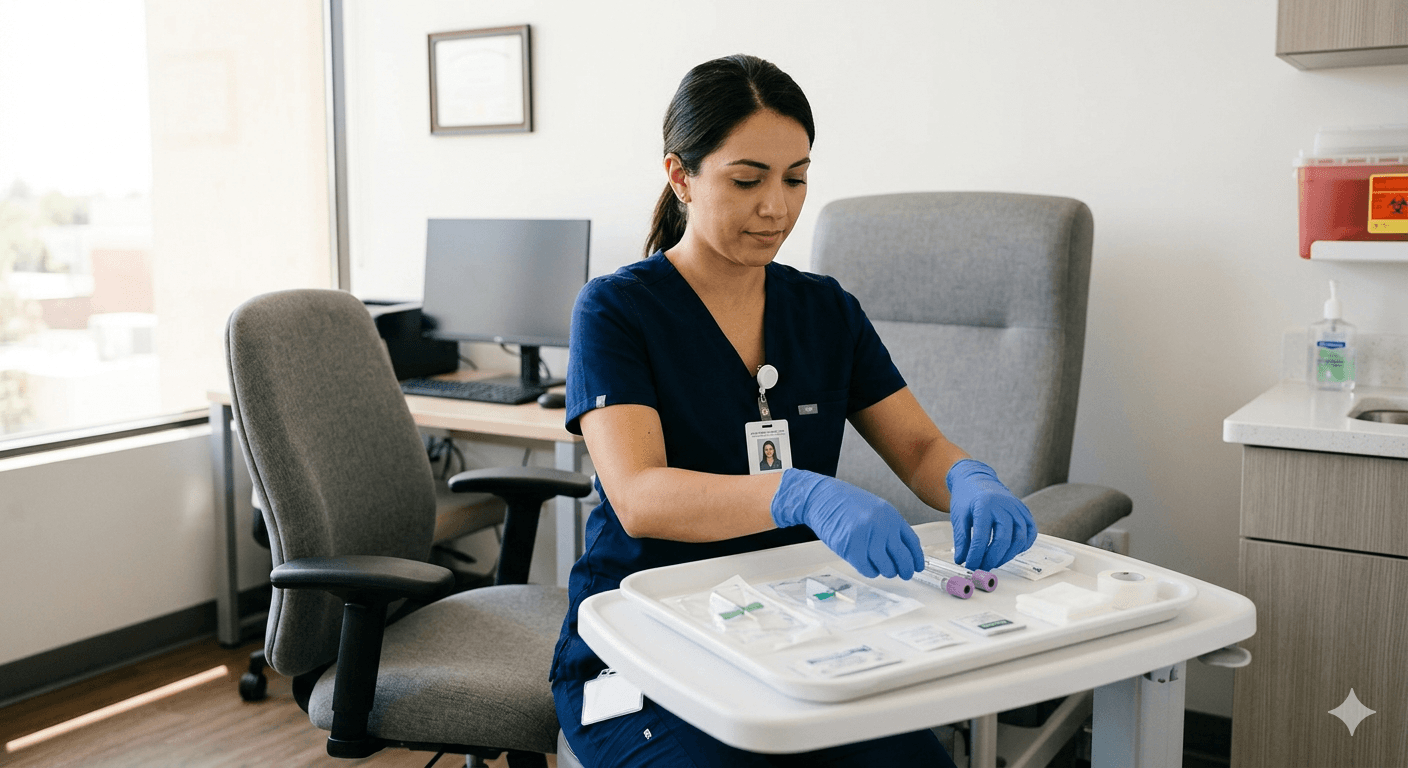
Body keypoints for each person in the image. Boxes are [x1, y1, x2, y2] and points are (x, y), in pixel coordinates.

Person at [552, 53, 1038, 767]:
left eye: (797, 178)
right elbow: (640, 497)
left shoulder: (825, 311)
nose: (776, 206)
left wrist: (973, 478)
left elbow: (919, 450)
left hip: (800, 629)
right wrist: (797, 491)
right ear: (680, 175)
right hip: (642, 635)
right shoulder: (619, 310)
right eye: (747, 180)